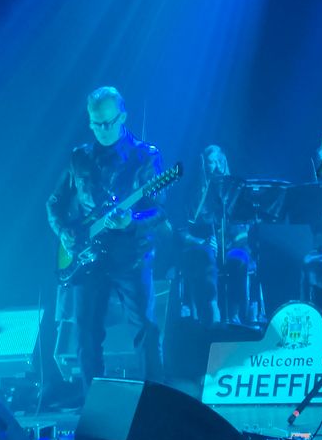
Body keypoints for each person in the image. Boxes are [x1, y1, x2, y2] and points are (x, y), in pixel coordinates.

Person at [46, 86, 167, 393]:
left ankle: (155, 405)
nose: (102, 129)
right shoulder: (79, 158)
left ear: (122, 116)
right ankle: (93, 409)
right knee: (86, 335)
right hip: (88, 259)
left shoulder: (144, 156)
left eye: (109, 122)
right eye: (96, 123)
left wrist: (131, 219)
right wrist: (65, 232)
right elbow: (54, 203)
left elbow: (158, 211)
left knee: (145, 331)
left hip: (131, 255)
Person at [177, 144, 251, 324]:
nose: (216, 166)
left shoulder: (234, 192)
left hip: (231, 245)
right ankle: (211, 314)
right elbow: (181, 231)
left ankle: (235, 314)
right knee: (206, 256)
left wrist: (235, 241)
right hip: (202, 246)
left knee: (239, 259)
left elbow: (245, 227)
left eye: (219, 162)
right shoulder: (194, 195)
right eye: (211, 162)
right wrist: (201, 242)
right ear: (204, 165)